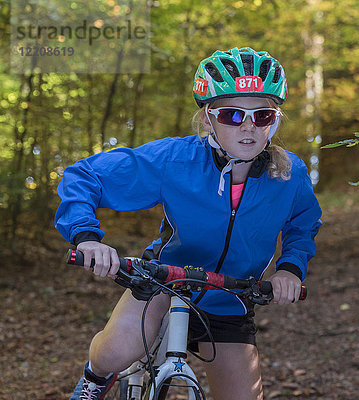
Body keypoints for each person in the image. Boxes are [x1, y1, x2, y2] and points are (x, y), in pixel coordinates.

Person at [55, 47, 322, 400]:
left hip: (232, 295)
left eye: (262, 116)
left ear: (274, 120)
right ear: (208, 118)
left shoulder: (290, 173)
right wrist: (86, 236)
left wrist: (290, 268)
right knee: (116, 353)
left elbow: (304, 223)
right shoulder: (175, 159)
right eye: (231, 114)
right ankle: (94, 379)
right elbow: (86, 175)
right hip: (163, 282)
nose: (247, 127)